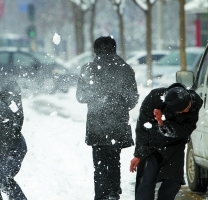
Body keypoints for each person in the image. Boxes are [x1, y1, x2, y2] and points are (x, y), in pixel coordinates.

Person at [76, 36, 139, 200]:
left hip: (97, 124)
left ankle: (102, 194)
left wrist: (97, 98)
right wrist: (120, 105)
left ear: (95, 50)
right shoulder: (125, 68)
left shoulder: (88, 69)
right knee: (114, 159)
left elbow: (80, 97)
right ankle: (113, 193)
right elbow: (133, 98)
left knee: (99, 163)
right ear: (114, 48)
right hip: (118, 123)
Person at [130, 83, 203, 200]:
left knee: (172, 182)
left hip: (175, 146)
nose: (186, 111)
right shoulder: (154, 98)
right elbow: (142, 128)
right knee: (146, 180)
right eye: (181, 110)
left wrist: (162, 124)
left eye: (187, 107)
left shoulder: (194, 103)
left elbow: (185, 130)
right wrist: (138, 154)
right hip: (151, 144)